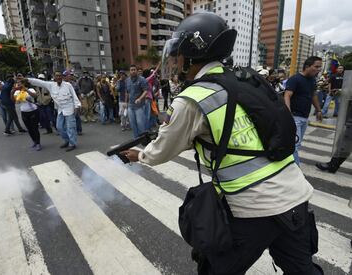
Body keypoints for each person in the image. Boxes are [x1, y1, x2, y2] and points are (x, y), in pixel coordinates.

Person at [122, 12, 322, 275]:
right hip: (294, 196)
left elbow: (162, 149)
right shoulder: (246, 79)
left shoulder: (194, 97)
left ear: (192, 54)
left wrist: (140, 155)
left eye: (179, 55)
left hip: (253, 206)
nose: (177, 62)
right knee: (303, 271)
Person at [27, 71, 81, 152]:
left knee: (70, 128)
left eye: (60, 76)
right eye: (57, 76)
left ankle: (72, 143)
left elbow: (74, 96)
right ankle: (67, 140)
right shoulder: (51, 85)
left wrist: (77, 106)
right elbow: (40, 82)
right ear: (54, 77)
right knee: (59, 127)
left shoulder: (68, 85)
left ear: (62, 77)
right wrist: (27, 79)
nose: (58, 77)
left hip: (69, 108)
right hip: (60, 110)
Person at [284, 56, 323, 165]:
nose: (319, 69)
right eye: (316, 66)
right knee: (294, 145)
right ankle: (297, 170)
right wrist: (288, 114)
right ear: (307, 66)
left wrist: (319, 110)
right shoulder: (295, 79)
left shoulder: (312, 80)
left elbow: (313, 95)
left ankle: (287, 165)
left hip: (304, 118)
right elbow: (287, 96)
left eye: (320, 67)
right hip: (295, 117)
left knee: (296, 144)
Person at [12, 79, 41, 151]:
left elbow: (34, 96)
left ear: (24, 83)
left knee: (35, 128)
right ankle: (34, 141)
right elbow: (15, 101)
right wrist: (13, 93)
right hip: (24, 112)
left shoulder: (30, 89)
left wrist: (26, 90)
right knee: (29, 129)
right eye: (17, 83)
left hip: (33, 111)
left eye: (20, 83)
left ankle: (38, 143)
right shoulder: (17, 92)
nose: (18, 84)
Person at [126, 64, 148, 138]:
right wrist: (126, 103)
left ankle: (143, 137)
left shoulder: (142, 79)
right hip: (130, 105)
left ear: (136, 70)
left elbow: (145, 91)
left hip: (139, 106)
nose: (133, 71)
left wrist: (140, 98)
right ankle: (136, 137)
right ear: (129, 71)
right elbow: (127, 92)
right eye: (131, 70)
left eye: (134, 70)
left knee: (140, 123)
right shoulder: (127, 80)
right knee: (132, 123)